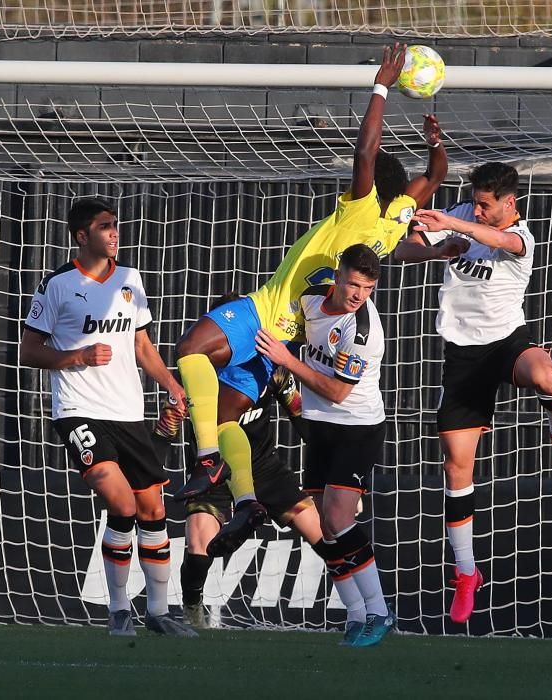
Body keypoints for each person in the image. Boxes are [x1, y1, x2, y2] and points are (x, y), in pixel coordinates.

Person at [172, 43, 449, 560]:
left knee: (189, 350)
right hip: (289, 336)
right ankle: (247, 500)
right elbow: (435, 176)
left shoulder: (363, 209)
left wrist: (381, 85)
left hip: (265, 312)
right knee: (226, 415)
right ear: (403, 194)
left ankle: (208, 461)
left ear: (372, 187)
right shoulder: (394, 223)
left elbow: (365, 152)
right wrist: (437, 144)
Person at [394, 161, 552, 625]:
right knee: (456, 467)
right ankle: (466, 572)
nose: (479, 210)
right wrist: (438, 249)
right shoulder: (463, 211)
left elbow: (503, 242)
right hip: (462, 357)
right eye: (476, 203)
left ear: (510, 203)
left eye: (487, 205)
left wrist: (455, 224)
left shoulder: (521, 235)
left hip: (506, 341)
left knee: (546, 375)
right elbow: (406, 251)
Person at [19, 197, 197, 638]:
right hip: (79, 410)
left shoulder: (129, 279)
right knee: (120, 502)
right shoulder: (56, 285)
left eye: (115, 225)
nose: (115, 233)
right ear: (82, 236)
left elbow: (141, 346)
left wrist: (171, 385)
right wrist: (76, 355)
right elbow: (28, 351)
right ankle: (119, 610)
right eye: (105, 226)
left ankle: (158, 612)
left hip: (128, 412)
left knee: (153, 506)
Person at [149, 294, 322, 628]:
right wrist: (155, 457)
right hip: (214, 473)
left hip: (263, 469)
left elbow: (300, 417)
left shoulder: (271, 373)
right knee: (199, 544)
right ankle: (192, 607)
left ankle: (365, 608)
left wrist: (330, 466)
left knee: (324, 533)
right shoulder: (196, 377)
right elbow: (163, 436)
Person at [256, 244, 394, 647]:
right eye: (353, 284)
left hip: (357, 426)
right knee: (323, 526)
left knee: (336, 519)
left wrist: (287, 359)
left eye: (367, 288)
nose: (358, 295)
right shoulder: (311, 296)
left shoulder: (362, 330)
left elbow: (336, 391)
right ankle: (354, 614)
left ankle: (380, 612)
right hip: (319, 426)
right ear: (338, 275)